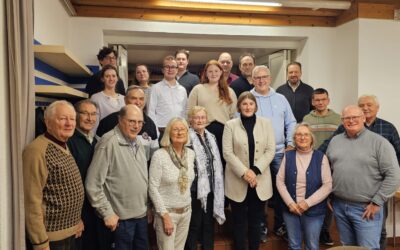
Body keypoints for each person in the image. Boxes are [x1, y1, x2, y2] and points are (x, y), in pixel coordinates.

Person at [319, 95, 400, 250]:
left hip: (366, 208)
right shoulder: (335, 141)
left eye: (355, 117)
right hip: (340, 205)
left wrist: (377, 202)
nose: (351, 121)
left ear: (363, 118)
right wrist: (329, 195)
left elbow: (394, 174)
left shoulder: (379, 142)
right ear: (342, 121)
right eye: (346, 118)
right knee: (347, 247)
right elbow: (327, 169)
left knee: (367, 248)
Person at [86, 104, 149, 250]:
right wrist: (107, 213)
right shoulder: (108, 142)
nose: (136, 126)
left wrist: (148, 207)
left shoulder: (138, 142)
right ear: (120, 120)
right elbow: (92, 184)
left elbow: (142, 179)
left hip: (140, 217)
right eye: (132, 121)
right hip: (119, 221)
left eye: (140, 122)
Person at [23, 100, 84, 250]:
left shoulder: (62, 143)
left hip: (71, 232)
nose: (69, 123)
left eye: (72, 119)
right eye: (63, 118)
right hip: (52, 239)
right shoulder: (36, 151)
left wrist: (77, 221)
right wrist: (40, 243)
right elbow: (31, 201)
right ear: (47, 122)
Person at [223, 92, 276, 250]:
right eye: (244, 104)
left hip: (259, 181)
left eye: (251, 104)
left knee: (255, 222)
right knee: (239, 222)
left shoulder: (266, 123)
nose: (248, 107)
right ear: (239, 106)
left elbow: (270, 150)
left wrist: (254, 171)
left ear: (256, 106)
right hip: (237, 181)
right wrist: (245, 173)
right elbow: (227, 152)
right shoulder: (230, 125)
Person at [250, 65, 297, 242]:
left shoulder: (281, 98)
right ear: (252, 80)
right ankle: (260, 227)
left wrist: (291, 143)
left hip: (279, 153)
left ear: (270, 78)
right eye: (257, 78)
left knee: (281, 190)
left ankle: (280, 226)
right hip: (257, 155)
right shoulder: (247, 98)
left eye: (264, 77)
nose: (261, 81)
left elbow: (291, 122)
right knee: (258, 192)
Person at [276, 123, 332, 250]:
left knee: (312, 246)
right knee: (293, 245)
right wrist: (290, 203)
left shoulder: (321, 157)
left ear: (311, 138)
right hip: (291, 210)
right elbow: (280, 181)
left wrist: (307, 203)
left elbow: (327, 185)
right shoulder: (288, 156)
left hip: (314, 211)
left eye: (306, 134)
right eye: (299, 135)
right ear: (294, 138)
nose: (302, 137)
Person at [149, 118, 195, 250]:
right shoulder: (159, 155)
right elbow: (152, 188)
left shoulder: (191, 154)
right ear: (169, 133)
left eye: (182, 129)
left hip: (186, 212)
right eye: (175, 129)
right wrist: (165, 216)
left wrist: (188, 208)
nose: (179, 132)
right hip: (167, 214)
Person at [302, 88, 340, 246]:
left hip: (332, 164)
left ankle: (324, 230)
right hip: (313, 163)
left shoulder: (338, 118)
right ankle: (311, 230)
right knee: (313, 196)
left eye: (323, 99)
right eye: (317, 100)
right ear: (312, 102)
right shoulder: (307, 119)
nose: (320, 102)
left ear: (328, 100)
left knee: (328, 197)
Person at [185, 106, 226, 250]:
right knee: (194, 224)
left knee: (208, 224)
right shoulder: (186, 138)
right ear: (190, 120)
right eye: (196, 117)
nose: (200, 120)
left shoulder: (211, 137)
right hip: (193, 189)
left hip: (210, 188)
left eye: (202, 117)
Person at [188, 59, 237, 164]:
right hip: (203, 131)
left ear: (221, 72)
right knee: (205, 162)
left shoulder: (229, 91)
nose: (213, 73)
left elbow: (234, 116)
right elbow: (189, 113)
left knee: (224, 163)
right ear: (205, 73)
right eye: (210, 71)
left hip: (225, 132)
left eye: (216, 71)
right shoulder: (198, 89)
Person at [67, 100, 100, 250]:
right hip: (79, 212)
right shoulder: (69, 142)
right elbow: (68, 184)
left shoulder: (97, 141)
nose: (90, 118)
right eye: (85, 113)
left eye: (93, 114)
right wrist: (75, 217)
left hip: (95, 209)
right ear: (76, 116)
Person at [96, 85, 159, 161]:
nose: (138, 102)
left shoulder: (151, 124)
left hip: (142, 171)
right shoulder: (107, 122)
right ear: (125, 100)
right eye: (134, 98)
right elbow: (98, 153)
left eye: (141, 99)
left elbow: (154, 156)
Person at [148, 55, 187, 135]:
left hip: (179, 130)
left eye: (173, 67)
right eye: (167, 67)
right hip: (162, 130)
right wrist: (155, 132)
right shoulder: (155, 88)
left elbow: (185, 111)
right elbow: (151, 112)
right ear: (162, 70)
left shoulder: (182, 90)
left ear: (177, 70)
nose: (170, 69)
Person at [90, 64, 125, 133]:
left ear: (117, 78)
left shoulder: (124, 99)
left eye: (113, 76)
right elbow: (93, 123)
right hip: (103, 137)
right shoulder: (96, 98)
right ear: (102, 79)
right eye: (107, 76)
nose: (111, 79)